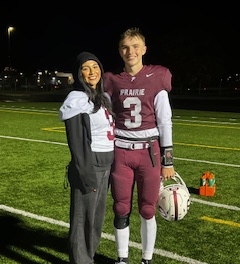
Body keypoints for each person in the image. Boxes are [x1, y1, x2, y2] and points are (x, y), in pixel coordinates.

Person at [104, 27, 175, 264]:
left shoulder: (158, 76)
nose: (130, 51)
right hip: (121, 151)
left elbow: (165, 121)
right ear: (119, 51)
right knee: (121, 207)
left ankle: (146, 259)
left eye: (135, 46)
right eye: (125, 47)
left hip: (149, 152)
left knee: (147, 209)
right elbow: (104, 117)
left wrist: (168, 161)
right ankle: (122, 258)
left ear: (144, 49)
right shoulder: (111, 80)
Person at [59, 51, 115, 264]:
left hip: (105, 165)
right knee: (83, 221)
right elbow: (76, 140)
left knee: (96, 221)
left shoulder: (103, 96)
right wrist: (85, 172)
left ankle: (89, 258)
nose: (92, 72)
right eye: (86, 68)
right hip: (89, 165)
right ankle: (80, 261)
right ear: (79, 73)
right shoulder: (77, 98)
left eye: (95, 66)